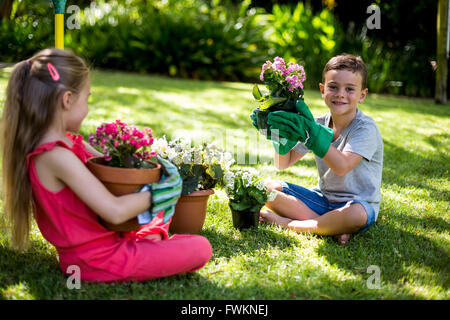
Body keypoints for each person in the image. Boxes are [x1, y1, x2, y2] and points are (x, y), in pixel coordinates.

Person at [0, 48, 212, 282]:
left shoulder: (68, 143)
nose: (88, 107)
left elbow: (113, 168)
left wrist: (141, 164)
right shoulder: (55, 157)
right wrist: (160, 193)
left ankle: (148, 242)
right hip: (96, 260)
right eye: (87, 97)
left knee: (158, 221)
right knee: (201, 248)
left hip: (110, 238)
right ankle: (148, 245)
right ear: (67, 100)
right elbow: (114, 210)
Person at [251, 54, 383, 245]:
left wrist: (312, 137)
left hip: (357, 204)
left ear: (362, 95)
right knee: (266, 189)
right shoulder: (316, 124)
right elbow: (283, 163)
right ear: (322, 90)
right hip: (322, 200)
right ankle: (330, 227)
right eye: (333, 87)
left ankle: (288, 224)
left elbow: (342, 166)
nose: (340, 93)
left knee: (355, 215)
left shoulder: (365, 128)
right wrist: (279, 136)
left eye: (350, 89)